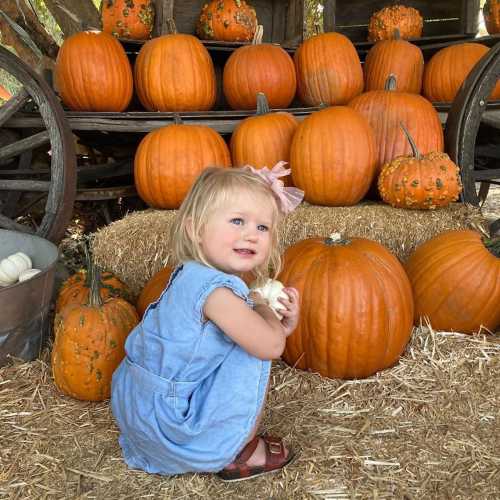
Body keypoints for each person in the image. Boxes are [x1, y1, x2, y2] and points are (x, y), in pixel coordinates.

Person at [111, 162, 304, 481]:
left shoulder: (189, 274)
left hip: (137, 408)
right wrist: (261, 305)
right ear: (196, 229)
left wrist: (274, 325)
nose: (251, 235)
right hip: (171, 426)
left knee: (243, 335)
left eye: (263, 227)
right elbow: (270, 346)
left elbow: (265, 335)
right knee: (250, 349)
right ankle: (233, 450)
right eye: (238, 221)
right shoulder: (217, 294)